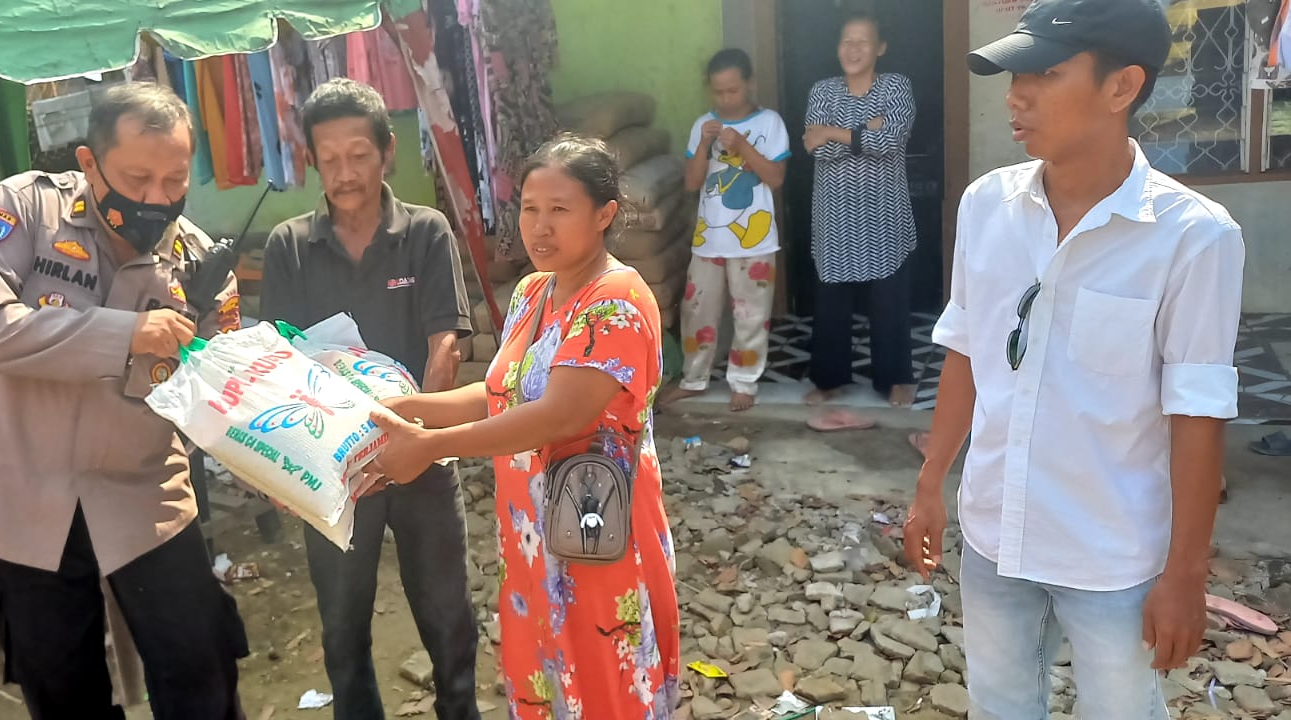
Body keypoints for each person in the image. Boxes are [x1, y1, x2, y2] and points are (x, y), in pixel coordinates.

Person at [903, 1, 1243, 718]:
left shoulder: (1194, 238)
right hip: (996, 530)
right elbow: (966, 349)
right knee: (999, 703)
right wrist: (932, 480)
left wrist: (1184, 573)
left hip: (1111, 555)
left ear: (1121, 87)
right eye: (1014, 75)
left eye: (1044, 75)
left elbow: (1197, 413)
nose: (1016, 96)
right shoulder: (985, 207)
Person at [0, 82, 249, 720]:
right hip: (26, 495)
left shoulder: (196, 258)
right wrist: (125, 333)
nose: (157, 198)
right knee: (61, 686)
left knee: (202, 672)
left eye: (173, 179)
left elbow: (228, 376)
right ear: (88, 162)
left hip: (145, 495)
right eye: (137, 178)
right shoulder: (24, 211)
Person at [367, 134, 680, 718]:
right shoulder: (534, 292)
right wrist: (406, 407)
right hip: (533, 545)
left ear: (605, 214)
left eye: (559, 210)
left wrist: (430, 447)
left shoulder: (616, 300)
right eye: (529, 209)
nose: (539, 227)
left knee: (606, 690)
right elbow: (500, 394)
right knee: (545, 686)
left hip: (596, 541)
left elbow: (559, 414)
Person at [258, 78, 480, 720]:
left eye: (359, 154)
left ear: (386, 152)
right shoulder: (290, 247)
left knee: (448, 620)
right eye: (329, 160)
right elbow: (278, 362)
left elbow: (446, 347)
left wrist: (410, 440)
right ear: (313, 164)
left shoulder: (425, 232)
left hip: (419, 456)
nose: (345, 172)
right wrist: (285, 462)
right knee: (342, 627)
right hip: (334, 470)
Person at [658, 48, 789, 412]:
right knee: (696, 310)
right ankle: (694, 379)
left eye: (733, 90)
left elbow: (775, 178)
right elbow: (691, 182)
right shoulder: (703, 124)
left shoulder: (770, 124)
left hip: (755, 239)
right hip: (709, 239)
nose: (726, 98)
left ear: (750, 84)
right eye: (719, 92)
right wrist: (703, 144)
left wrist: (742, 145)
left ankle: (744, 382)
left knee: (751, 314)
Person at [802, 12, 919, 409]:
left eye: (862, 42)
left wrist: (836, 131)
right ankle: (829, 379)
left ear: (880, 48)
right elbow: (813, 146)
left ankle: (895, 378)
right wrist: (864, 131)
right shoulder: (822, 91)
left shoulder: (897, 86)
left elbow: (890, 140)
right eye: (846, 42)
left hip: (885, 216)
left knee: (889, 302)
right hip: (834, 214)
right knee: (831, 303)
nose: (852, 49)